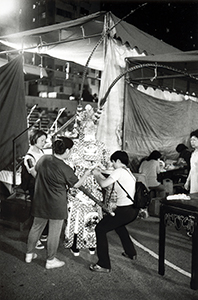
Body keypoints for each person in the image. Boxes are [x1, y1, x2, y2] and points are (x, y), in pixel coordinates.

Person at [25, 137, 91, 269]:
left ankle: (29, 254)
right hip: (56, 204)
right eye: (70, 150)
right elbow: (76, 184)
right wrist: (86, 174)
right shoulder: (65, 168)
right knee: (54, 233)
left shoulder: (43, 159)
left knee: (36, 227)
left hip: (40, 201)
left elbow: (36, 172)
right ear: (66, 151)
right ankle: (50, 260)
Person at [89, 150, 139, 273]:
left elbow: (104, 184)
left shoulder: (119, 171)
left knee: (100, 229)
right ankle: (130, 253)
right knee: (120, 227)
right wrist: (100, 171)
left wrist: (96, 174)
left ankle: (104, 264)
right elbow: (108, 174)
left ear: (117, 161)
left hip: (124, 211)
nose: (112, 165)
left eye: (113, 162)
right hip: (132, 210)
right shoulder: (128, 171)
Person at [23, 129, 48, 249]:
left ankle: (43, 233)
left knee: (43, 210)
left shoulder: (41, 151)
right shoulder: (29, 157)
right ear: (34, 140)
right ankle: (34, 239)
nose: (44, 142)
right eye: (42, 140)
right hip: (36, 186)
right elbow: (34, 174)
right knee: (37, 211)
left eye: (45, 140)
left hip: (43, 185)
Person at [184, 130, 198, 197]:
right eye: (191, 140)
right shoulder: (193, 153)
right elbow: (192, 169)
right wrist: (188, 181)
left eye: (194, 140)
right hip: (194, 180)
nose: (192, 142)